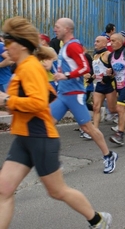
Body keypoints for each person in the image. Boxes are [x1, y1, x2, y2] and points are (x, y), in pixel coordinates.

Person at [0, 16, 111, 229]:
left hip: (41, 137)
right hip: (23, 137)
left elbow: (38, 102)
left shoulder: (31, 68)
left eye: (8, 43)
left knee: (57, 191)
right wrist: (5, 103)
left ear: (20, 44)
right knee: (4, 189)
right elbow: (14, 104)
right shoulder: (20, 68)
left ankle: (98, 220)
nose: (5, 49)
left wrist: (5, 100)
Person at [51, 18, 118, 174]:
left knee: (88, 128)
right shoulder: (64, 46)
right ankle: (54, 159)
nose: (54, 29)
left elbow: (85, 68)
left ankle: (109, 155)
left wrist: (66, 76)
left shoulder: (73, 45)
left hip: (74, 95)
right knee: (47, 124)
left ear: (67, 29)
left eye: (57, 27)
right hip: (63, 94)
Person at [91, 36, 117, 129]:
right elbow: (97, 70)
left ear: (104, 44)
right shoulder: (95, 55)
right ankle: (95, 130)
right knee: (95, 108)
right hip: (99, 85)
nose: (95, 43)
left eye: (97, 41)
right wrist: (93, 76)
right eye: (95, 41)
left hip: (109, 85)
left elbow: (115, 70)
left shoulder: (108, 54)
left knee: (112, 109)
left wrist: (109, 75)